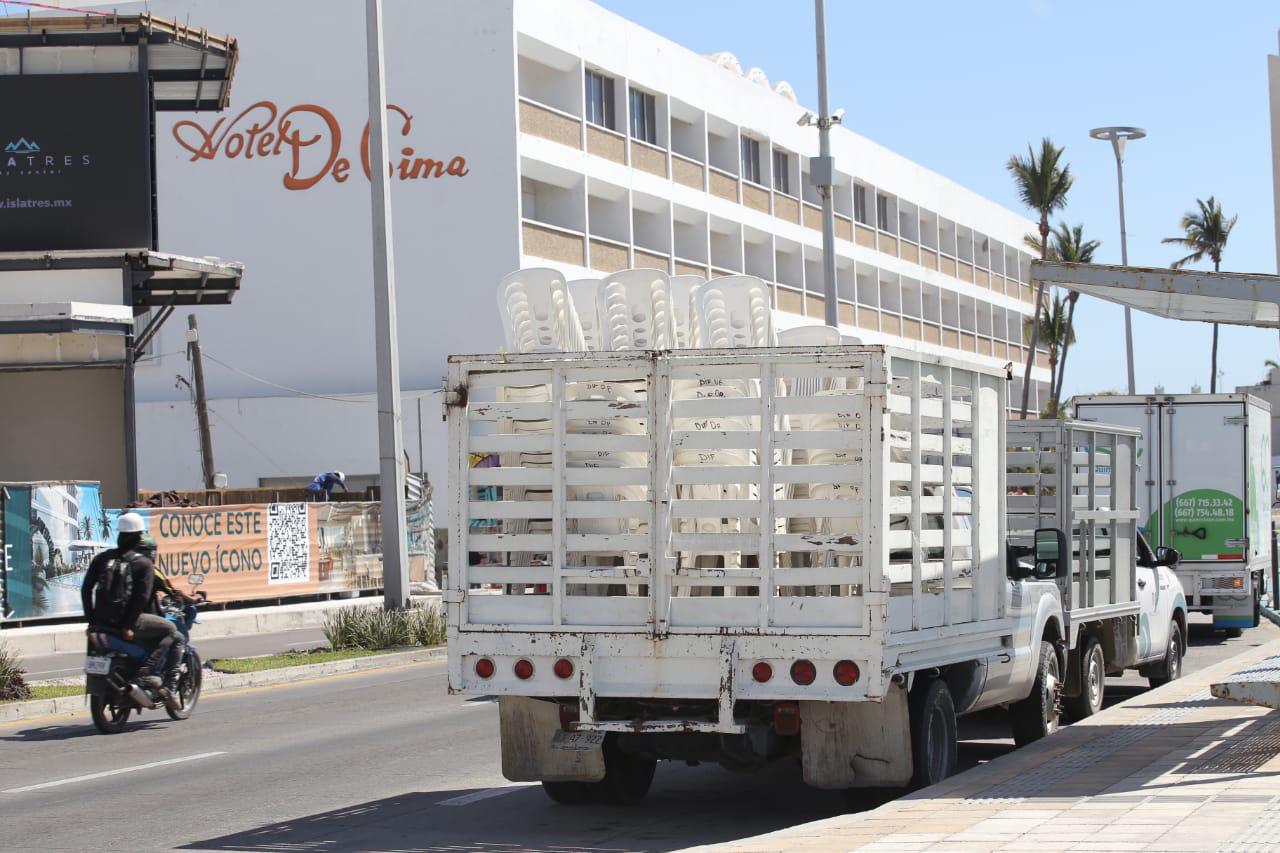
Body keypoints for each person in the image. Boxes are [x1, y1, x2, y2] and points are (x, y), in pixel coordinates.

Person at [79, 512, 181, 691]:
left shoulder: (102, 558)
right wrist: (128, 625)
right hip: (127, 623)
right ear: (139, 537)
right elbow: (140, 599)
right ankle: (147, 671)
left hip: (101, 624)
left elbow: (86, 589)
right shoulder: (144, 564)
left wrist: (92, 621)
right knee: (172, 630)